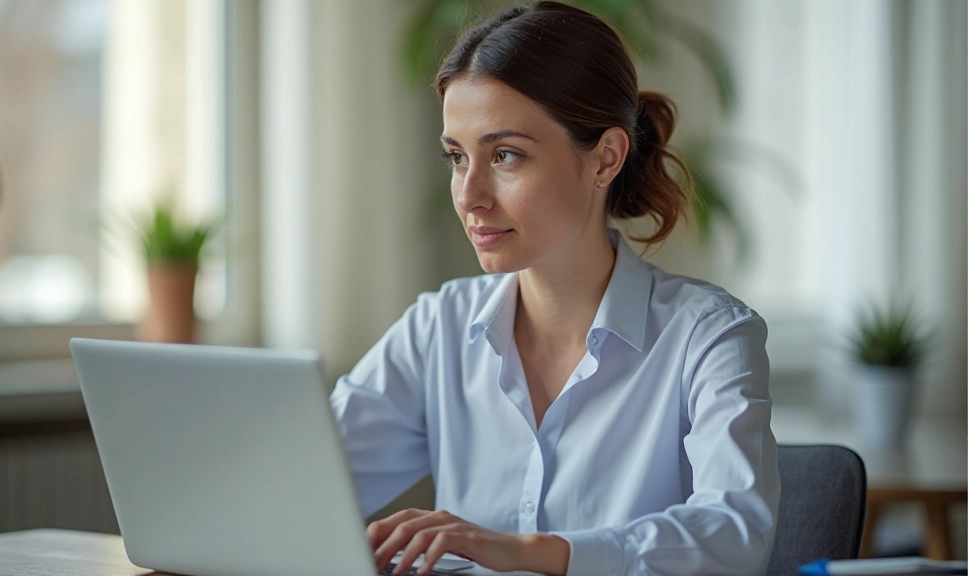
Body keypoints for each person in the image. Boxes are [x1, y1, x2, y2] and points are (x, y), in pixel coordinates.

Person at [329, 2, 780, 575]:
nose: (469, 195)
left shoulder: (709, 336)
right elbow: (299, 488)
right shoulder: (436, 328)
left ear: (605, 159)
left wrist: (527, 553)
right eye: (456, 157)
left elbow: (735, 536)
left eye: (506, 155)